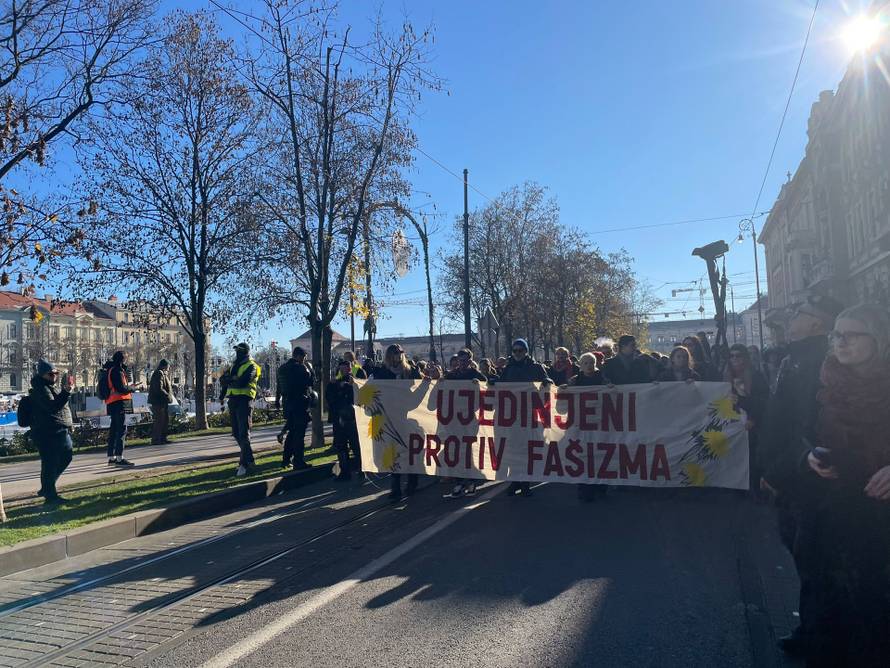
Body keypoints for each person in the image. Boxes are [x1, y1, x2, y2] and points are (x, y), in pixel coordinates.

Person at [796, 304, 890, 665]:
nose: (840, 342)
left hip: (879, 527)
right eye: (836, 335)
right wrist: (806, 457)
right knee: (831, 621)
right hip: (829, 520)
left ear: (876, 339)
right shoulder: (819, 383)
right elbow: (796, 435)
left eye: (850, 335)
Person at [760, 294, 844, 657]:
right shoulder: (795, 358)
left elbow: (806, 425)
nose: (792, 317)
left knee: (813, 558)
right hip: (792, 474)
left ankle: (821, 636)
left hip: (806, 478)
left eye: (801, 313)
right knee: (804, 554)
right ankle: (817, 628)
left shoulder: (817, 363)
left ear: (817, 324)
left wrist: (781, 468)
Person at [496, 338, 551, 497]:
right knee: (513, 449)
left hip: (530, 415)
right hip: (513, 417)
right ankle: (515, 481)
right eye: (515, 351)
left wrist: (547, 380)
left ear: (526, 351)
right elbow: (501, 386)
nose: (518, 353)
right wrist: (493, 383)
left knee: (528, 449)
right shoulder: (508, 369)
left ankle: (525, 483)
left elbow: (547, 384)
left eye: (521, 350)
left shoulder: (536, 367)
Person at [370, 344, 423, 500]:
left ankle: (412, 480)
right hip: (389, 418)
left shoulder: (411, 371)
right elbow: (374, 391)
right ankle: (395, 486)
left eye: (400, 352)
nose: (397, 355)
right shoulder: (382, 372)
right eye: (394, 353)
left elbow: (419, 391)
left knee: (409, 451)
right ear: (389, 355)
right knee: (393, 453)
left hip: (408, 416)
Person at [443, 348, 488, 498]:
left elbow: (487, 386)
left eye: (465, 361)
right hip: (454, 420)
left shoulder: (475, 374)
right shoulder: (451, 375)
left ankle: (472, 482)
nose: (461, 363)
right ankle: (459, 482)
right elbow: (440, 388)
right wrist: (440, 381)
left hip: (469, 419)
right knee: (456, 450)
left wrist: (480, 384)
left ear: (470, 361)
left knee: (468, 450)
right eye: (459, 360)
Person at [724, 344, 769, 490]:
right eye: (732, 356)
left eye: (739, 355)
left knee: (751, 458)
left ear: (745, 358)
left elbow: (762, 400)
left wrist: (753, 418)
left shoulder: (756, 376)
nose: (735, 359)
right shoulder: (724, 375)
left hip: (750, 424)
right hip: (731, 422)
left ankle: (753, 487)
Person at [30, 360, 74, 505]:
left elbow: (61, 408)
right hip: (48, 431)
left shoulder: (49, 386)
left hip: (58, 429)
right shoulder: (41, 389)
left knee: (63, 457)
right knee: (51, 462)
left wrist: (69, 423)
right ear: (43, 375)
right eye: (51, 374)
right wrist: (66, 392)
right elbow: (53, 406)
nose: (54, 376)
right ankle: (50, 495)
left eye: (56, 373)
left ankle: (47, 487)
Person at [568, 353, 607, 503]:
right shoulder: (575, 381)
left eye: (591, 363)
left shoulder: (603, 379)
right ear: (580, 365)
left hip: (599, 423)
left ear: (595, 364)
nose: (588, 366)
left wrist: (611, 388)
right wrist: (564, 389)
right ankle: (584, 488)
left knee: (599, 454)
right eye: (585, 363)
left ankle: (600, 485)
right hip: (581, 424)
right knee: (582, 456)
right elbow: (562, 403)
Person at [220, 342, 262, 477]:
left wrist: (230, 379)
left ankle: (243, 464)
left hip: (245, 400)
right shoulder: (234, 365)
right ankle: (249, 459)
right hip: (233, 400)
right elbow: (222, 380)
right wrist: (232, 379)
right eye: (236, 350)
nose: (237, 353)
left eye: (239, 351)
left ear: (245, 352)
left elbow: (243, 381)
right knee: (236, 433)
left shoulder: (252, 366)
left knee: (243, 433)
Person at [275, 346, 313, 470]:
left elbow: (279, 387)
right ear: (298, 356)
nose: (304, 360)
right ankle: (298, 461)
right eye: (303, 357)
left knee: (291, 433)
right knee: (299, 434)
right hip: (300, 403)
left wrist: (277, 401)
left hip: (287, 403)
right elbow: (310, 382)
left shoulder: (281, 368)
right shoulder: (300, 368)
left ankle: (285, 459)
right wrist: (310, 369)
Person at [326, 359, 361, 481]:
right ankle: (344, 471)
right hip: (338, 418)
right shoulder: (334, 383)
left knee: (355, 445)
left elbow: (358, 397)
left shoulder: (354, 381)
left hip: (351, 418)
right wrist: (334, 385)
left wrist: (349, 386)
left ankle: (361, 469)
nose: (343, 371)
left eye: (345, 369)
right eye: (341, 369)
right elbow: (329, 398)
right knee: (341, 445)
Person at [104, 350, 138, 467]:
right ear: (122, 359)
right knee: (122, 429)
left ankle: (111, 457)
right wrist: (132, 388)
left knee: (114, 430)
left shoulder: (110, 369)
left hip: (112, 403)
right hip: (119, 403)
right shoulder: (117, 371)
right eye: (125, 358)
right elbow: (121, 388)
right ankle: (119, 458)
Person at [148, 359, 173, 445]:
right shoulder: (158, 373)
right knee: (159, 420)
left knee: (164, 420)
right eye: (168, 366)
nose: (169, 368)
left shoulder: (163, 373)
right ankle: (156, 439)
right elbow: (158, 388)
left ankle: (162, 438)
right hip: (158, 402)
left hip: (162, 401)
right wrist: (167, 395)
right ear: (165, 365)